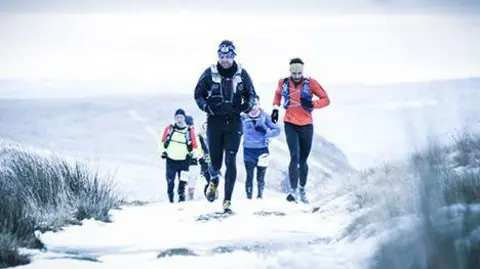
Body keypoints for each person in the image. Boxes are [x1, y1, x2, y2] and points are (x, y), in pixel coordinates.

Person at [194, 40, 257, 213]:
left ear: (233, 56)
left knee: (231, 159)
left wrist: (248, 106)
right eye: (222, 57)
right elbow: (198, 94)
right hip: (214, 121)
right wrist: (207, 107)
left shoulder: (242, 74)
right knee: (215, 161)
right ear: (218, 57)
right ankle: (214, 179)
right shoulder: (209, 73)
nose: (225, 60)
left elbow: (252, 94)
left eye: (228, 57)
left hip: (234, 121)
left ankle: (227, 200)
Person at [271, 58, 330, 203]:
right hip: (290, 123)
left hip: (306, 125)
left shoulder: (311, 83)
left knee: (303, 159)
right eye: (294, 73)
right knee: (294, 156)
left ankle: (302, 190)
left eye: (299, 73)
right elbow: (278, 94)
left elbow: (326, 99)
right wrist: (275, 108)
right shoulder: (283, 82)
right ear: (290, 71)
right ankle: (293, 191)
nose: (296, 76)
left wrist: (311, 103)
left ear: (302, 71)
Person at [241, 95, 280, 199]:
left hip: (262, 150)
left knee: (260, 177)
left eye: (256, 104)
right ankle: (248, 199)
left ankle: (259, 197)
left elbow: (277, 131)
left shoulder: (265, 117)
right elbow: (237, 131)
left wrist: (266, 131)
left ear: (259, 104)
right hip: (248, 150)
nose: (253, 107)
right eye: (251, 104)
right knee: (249, 175)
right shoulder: (243, 116)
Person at [160, 109, 199, 203]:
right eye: (177, 117)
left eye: (181, 117)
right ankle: (171, 200)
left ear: (184, 118)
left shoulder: (189, 131)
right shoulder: (169, 129)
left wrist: (194, 155)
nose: (179, 119)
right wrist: (163, 152)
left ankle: (181, 200)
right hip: (171, 160)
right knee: (170, 182)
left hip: (184, 161)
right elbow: (162, 141)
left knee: (182, 184)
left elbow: (195, 145)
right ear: (174, 118)